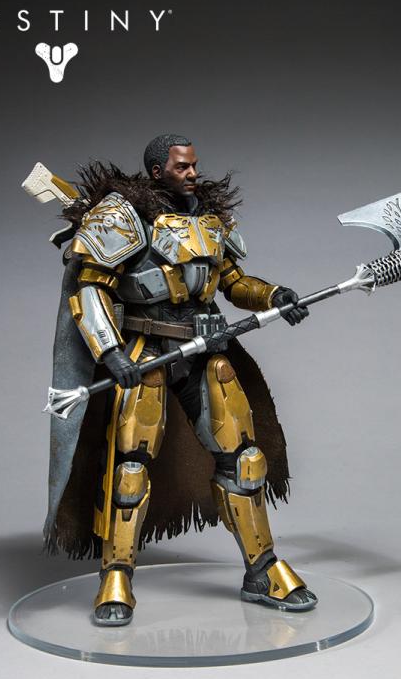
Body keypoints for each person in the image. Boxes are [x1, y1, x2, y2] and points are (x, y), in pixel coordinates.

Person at [44, 133, 318, 626]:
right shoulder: (123, 216)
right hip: (145, 353)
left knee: (244, 460)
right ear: (157, 171)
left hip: (205, 354)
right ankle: (116, 575)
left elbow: (233, 282)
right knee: (130, 468)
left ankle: (262, 569)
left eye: (194, 165)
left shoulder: (209, 219)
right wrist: (110, 350)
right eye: (182, 167)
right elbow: (91, 287)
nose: (193, 173)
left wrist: (274, 295)